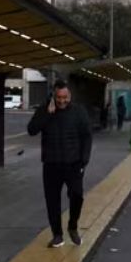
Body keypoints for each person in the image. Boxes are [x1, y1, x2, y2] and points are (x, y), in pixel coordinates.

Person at [28, 80, 93, 248]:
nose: (62, 101)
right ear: (53, 96)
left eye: (65, 97)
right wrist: (47, 114)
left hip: (73, 164)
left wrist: (84, 160)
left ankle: (73, 227)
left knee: (77, 195)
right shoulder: (45, 110)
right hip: (51, 164)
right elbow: (32, 130)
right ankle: (57, 235)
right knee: (52, 200)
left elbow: (87, 136)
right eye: (58, 98)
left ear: (69, 95)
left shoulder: (79, 112)